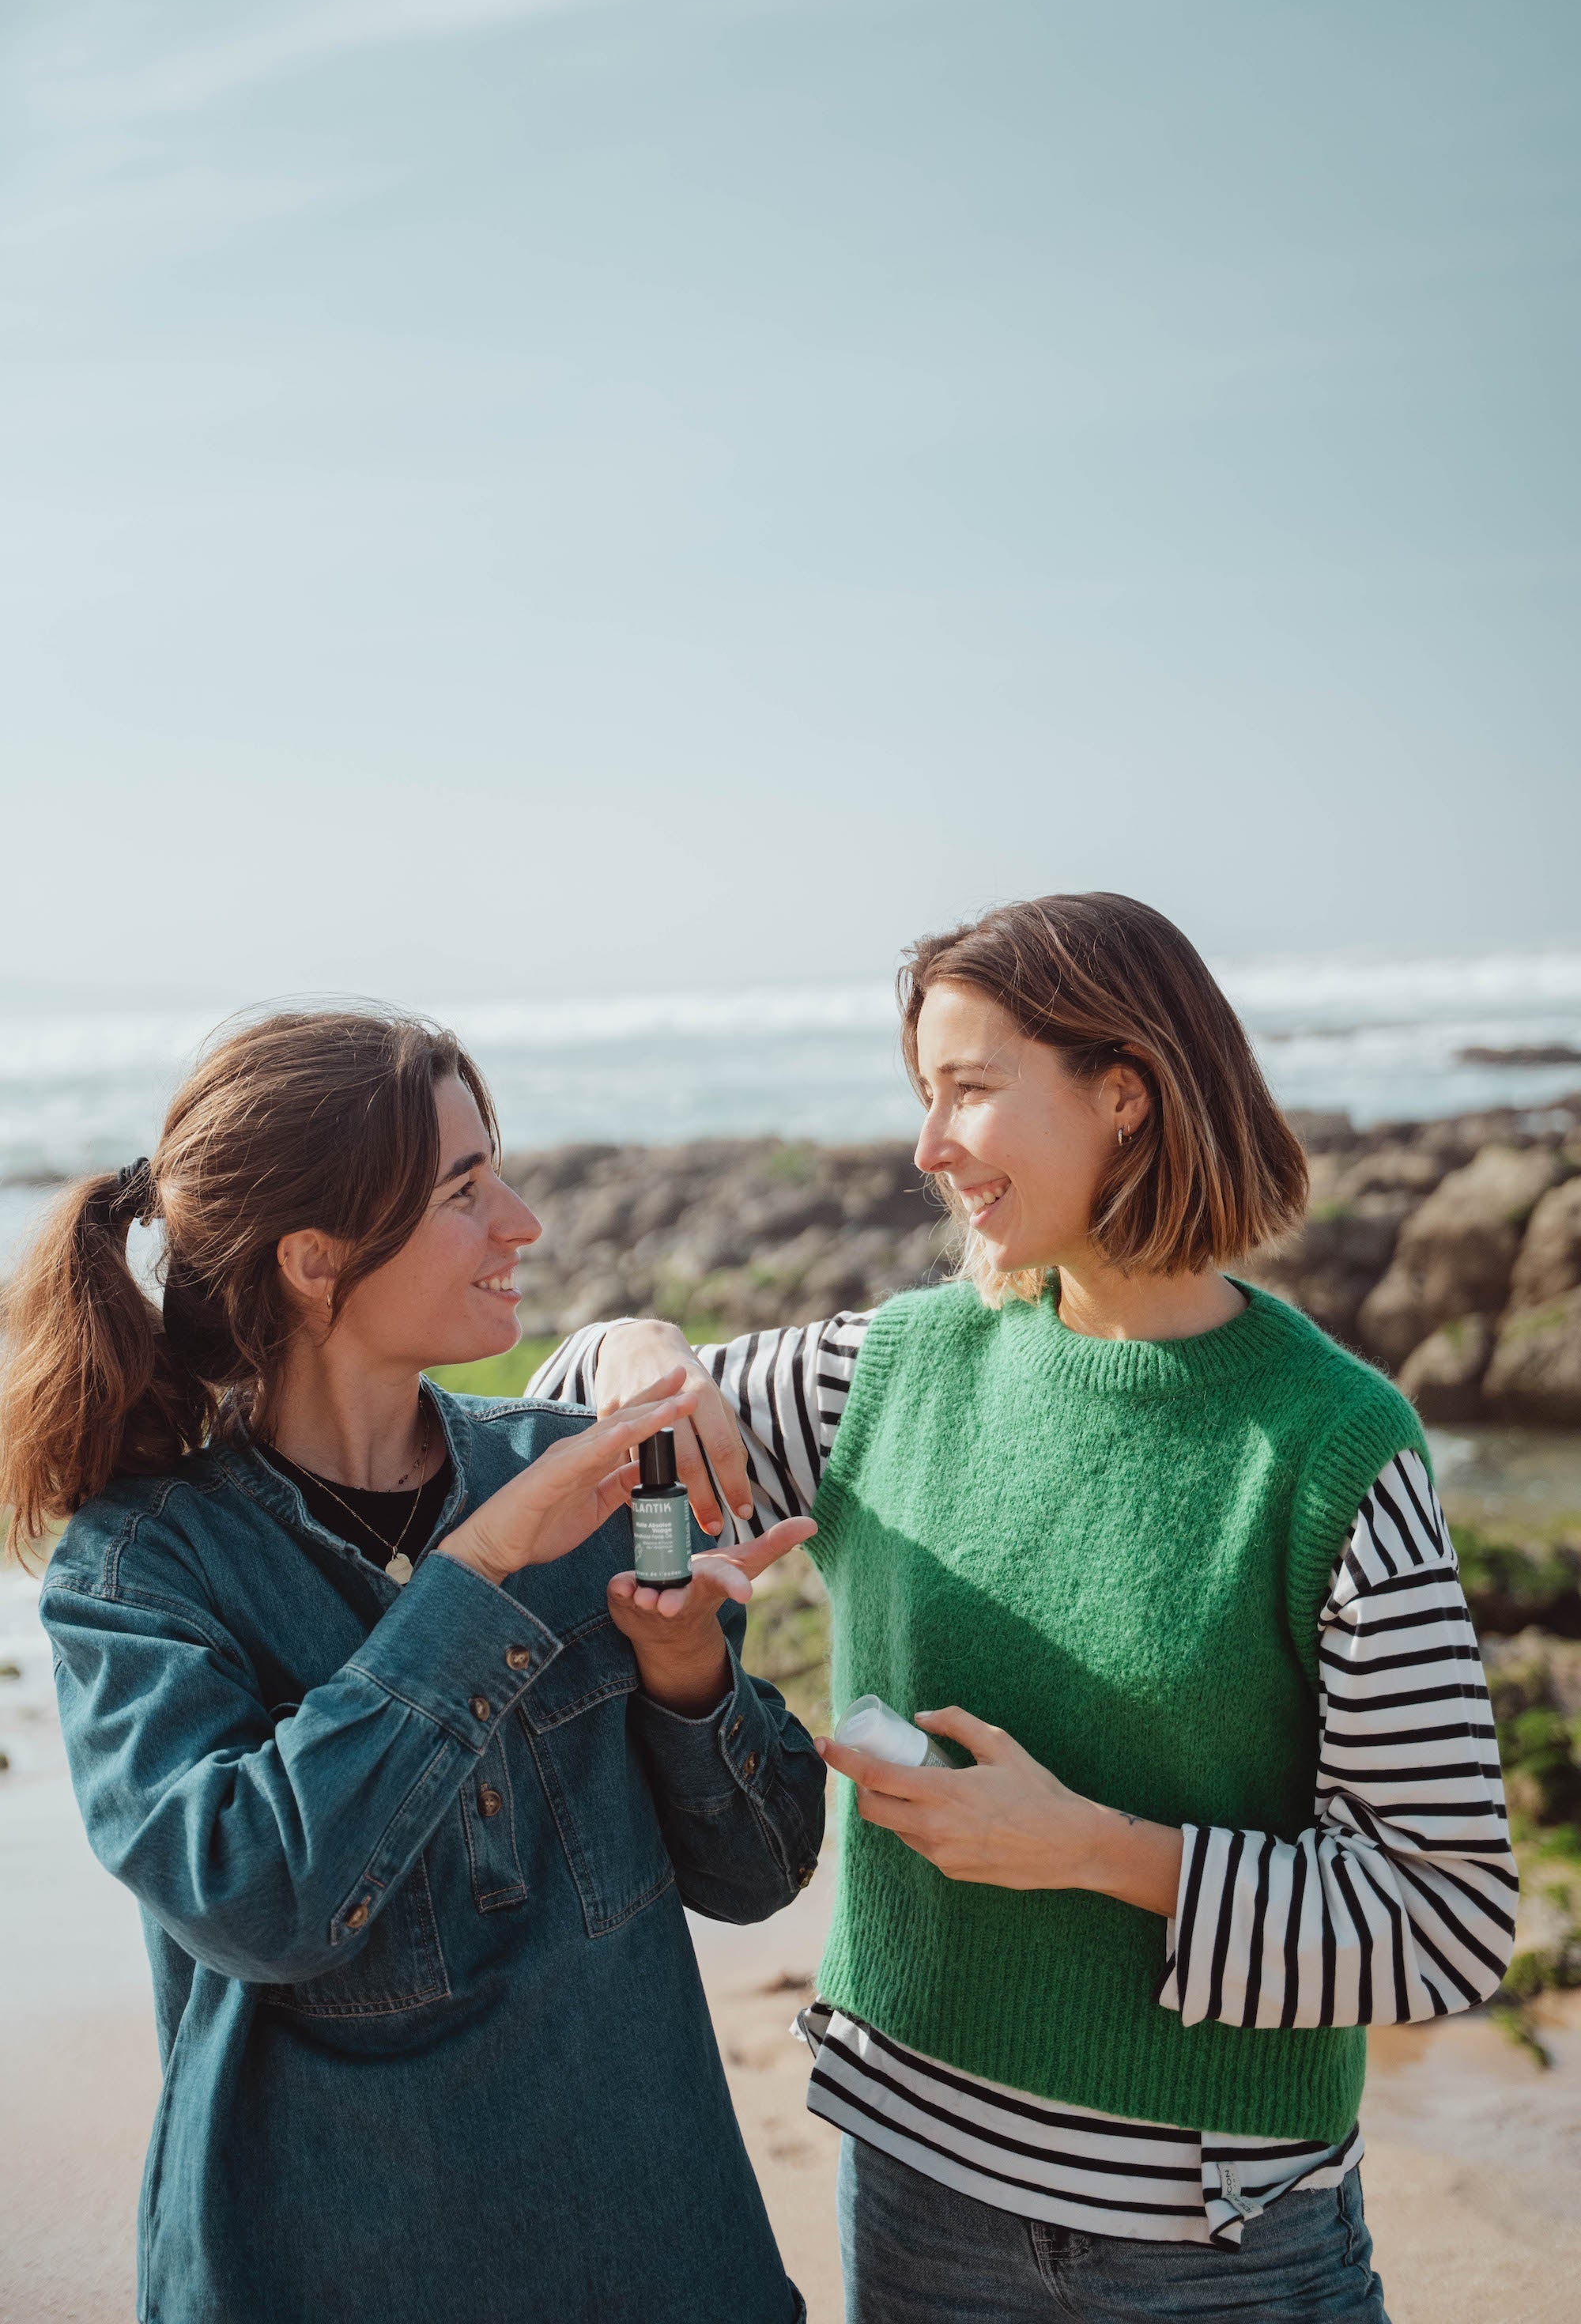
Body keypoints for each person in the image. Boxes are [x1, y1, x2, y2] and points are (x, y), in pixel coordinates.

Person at [538, 893, 1517, 2324]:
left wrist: (1103, 1853)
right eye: (922, 1096)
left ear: (1124, 1094)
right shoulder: (884, 1372)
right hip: (914, 2207)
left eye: (970, 1092)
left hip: (1224, 2250)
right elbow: (555, 1442)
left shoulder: (1333, 1450)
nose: (928, 1147)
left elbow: (1447, 1918)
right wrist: (629, 1343)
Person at [0, 1007, 824, 2324]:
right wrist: (476, 1574)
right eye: (464, 1191)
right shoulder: (138, 1571)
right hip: (318, 2270)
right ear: (317, 1261)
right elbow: (256, 1897)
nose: (524, 1225)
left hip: (665, 2260)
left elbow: (764, 1870)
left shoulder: (580, 1477)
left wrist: (688, 1678)